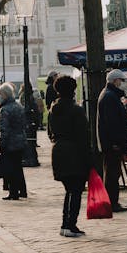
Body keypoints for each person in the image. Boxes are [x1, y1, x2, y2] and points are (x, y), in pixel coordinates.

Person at [48, 75, 91, 237]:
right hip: (75, 152)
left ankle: (65, 224)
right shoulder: (76, 110)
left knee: (69, 190)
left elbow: (50, 133)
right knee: (76, 190)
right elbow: (83, 136)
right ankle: (70, 224)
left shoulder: (54, 109)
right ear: (73, 90)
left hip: (58, 151)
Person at [97, 68, 127, 212]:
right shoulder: (110, 97)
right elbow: (113, 124)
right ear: (115, 81)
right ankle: (111, 202)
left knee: (112, 173)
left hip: (111, 143)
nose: (123, 83)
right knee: (112, 174)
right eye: (121, 80)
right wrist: (117, 143)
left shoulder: (110, 95)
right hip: (112, 144)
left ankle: (112, 201)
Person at [0, 83, 27, 200]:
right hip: (20, 141)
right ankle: (22, 190)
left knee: (11, 168)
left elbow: (4, 129)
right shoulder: (19, 106)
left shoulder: (5, 110)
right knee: (18, 167)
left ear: (3, 95)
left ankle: (13, 192)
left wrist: (1, 144)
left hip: (10, 143)